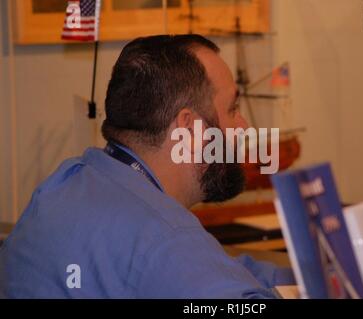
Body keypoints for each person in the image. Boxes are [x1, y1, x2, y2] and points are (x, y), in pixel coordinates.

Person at [0, 35, 294, 298]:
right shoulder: (165, 239)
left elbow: (212, 268)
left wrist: (308, 273)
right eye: (232, 109)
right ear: (189, 129)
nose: (243, 126)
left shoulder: (64, 184)